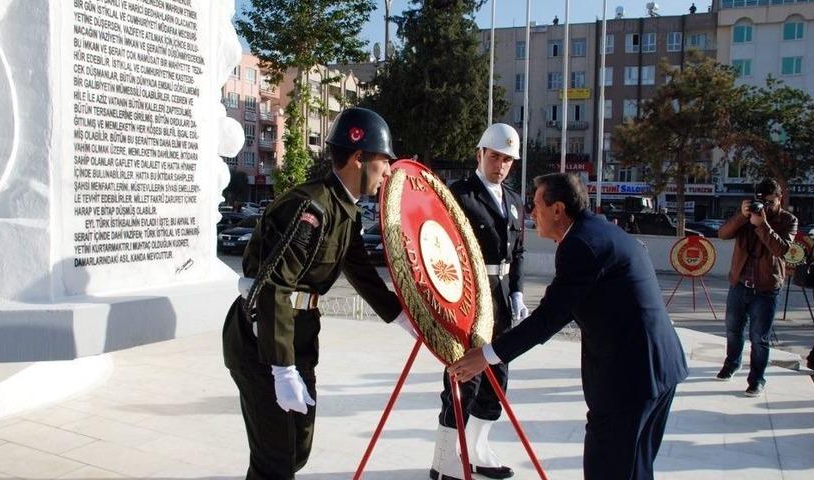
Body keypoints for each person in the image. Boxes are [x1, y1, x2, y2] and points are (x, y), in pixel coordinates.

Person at [448, 173, 688, 480]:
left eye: (536, 205)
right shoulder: (597, 230)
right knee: (636, 470)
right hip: (657, 370)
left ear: (558, 209)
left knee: (609, 470)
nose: (531, 214)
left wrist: (487, 355)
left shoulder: (581, 246)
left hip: (629, 379)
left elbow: (548, 318)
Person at [222, 107, 415, 480]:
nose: (388, 171)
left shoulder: (345, 210)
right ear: (359, 158)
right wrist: (282, 368)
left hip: (299, 337)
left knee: (297, 450)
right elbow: (276, 285)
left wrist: (404, 318)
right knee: (275, 462)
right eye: (384, 161)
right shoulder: (310, 207)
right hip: (261, 340)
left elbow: (361, 272)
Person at [430, 124, 527, 480]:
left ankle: (477, 450)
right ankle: (445, 459)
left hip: (501, 297)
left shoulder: (514, 200)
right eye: (495, 156)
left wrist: (517, 291)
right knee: (463, 378)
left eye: (507, 159)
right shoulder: (459, 195)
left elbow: (519, 252)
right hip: (469, 298)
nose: (500, 165)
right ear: (480, 155)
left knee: (497, 377)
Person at [715, 178, 797, 397]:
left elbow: (782, 250)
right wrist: (742, 216)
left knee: (759, 337)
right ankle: (732, 364)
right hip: (739, 284)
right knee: (733, 330)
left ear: (780, 198)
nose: (766, 207)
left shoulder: (788, 220)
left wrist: (762, 225)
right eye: (762, 201)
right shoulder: (746, 215)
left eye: (771, 202)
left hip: (766, 288)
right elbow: (722, 234)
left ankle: (757, 379)